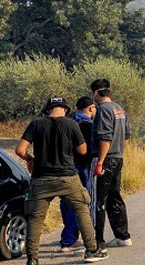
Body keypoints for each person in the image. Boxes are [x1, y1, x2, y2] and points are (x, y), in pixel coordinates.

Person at [15, 97, 108, 265]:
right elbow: (83, 150)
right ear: (65, 109)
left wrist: (31, 159)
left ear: (47, 110)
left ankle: (32, 259)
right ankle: (92, 250)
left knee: (36, 219)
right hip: (68, 178)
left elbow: (20, 150)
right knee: (81, 211)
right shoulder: (71, 124)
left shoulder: (36, 124)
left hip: (41, 179)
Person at [91, 79, 133, 248]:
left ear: (95, 93)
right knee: (115, 197)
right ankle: (123, 236)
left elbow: (105, 137)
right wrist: (118, 150)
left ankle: (98, 242)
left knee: (100, 201)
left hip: (107, 159)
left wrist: (100, 162)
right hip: (118, 158)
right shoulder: (119, 108)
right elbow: (127, 136)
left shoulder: (103, 109)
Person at [57, 97, 97, 252]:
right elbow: (85, 150)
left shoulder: (67, 121)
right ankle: (69, 240)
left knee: (66, 202)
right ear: (91, 108)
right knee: (79, 203)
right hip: (80, 168)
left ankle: (68, 236)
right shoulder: (86, 125)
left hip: (63, 168)